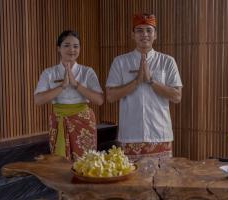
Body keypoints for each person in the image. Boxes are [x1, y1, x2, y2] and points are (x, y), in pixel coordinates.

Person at [106, 13, 183, 160]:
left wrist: (150, 80)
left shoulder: (167, 61)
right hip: (129, 135)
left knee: (161, 181)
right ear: (133, 35)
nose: (144, 34)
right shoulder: (120, 62)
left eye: (149, 30)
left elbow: (177, 96)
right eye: (139, 30)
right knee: (131, 181)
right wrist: (136, 81)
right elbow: (110, 96)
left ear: (155, 35)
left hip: (160, 134)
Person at [34, 30, 103, 161]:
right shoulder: (49, 73)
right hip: (59, 120)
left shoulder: (87, 72)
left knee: (86, 163)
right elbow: (38, 100)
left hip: (84, 122)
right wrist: (62, 86)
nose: (72, 49)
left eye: (76, 46)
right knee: (60, 164)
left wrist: (76, 84)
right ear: (58, 48)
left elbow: (99, 100)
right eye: (66, 45)